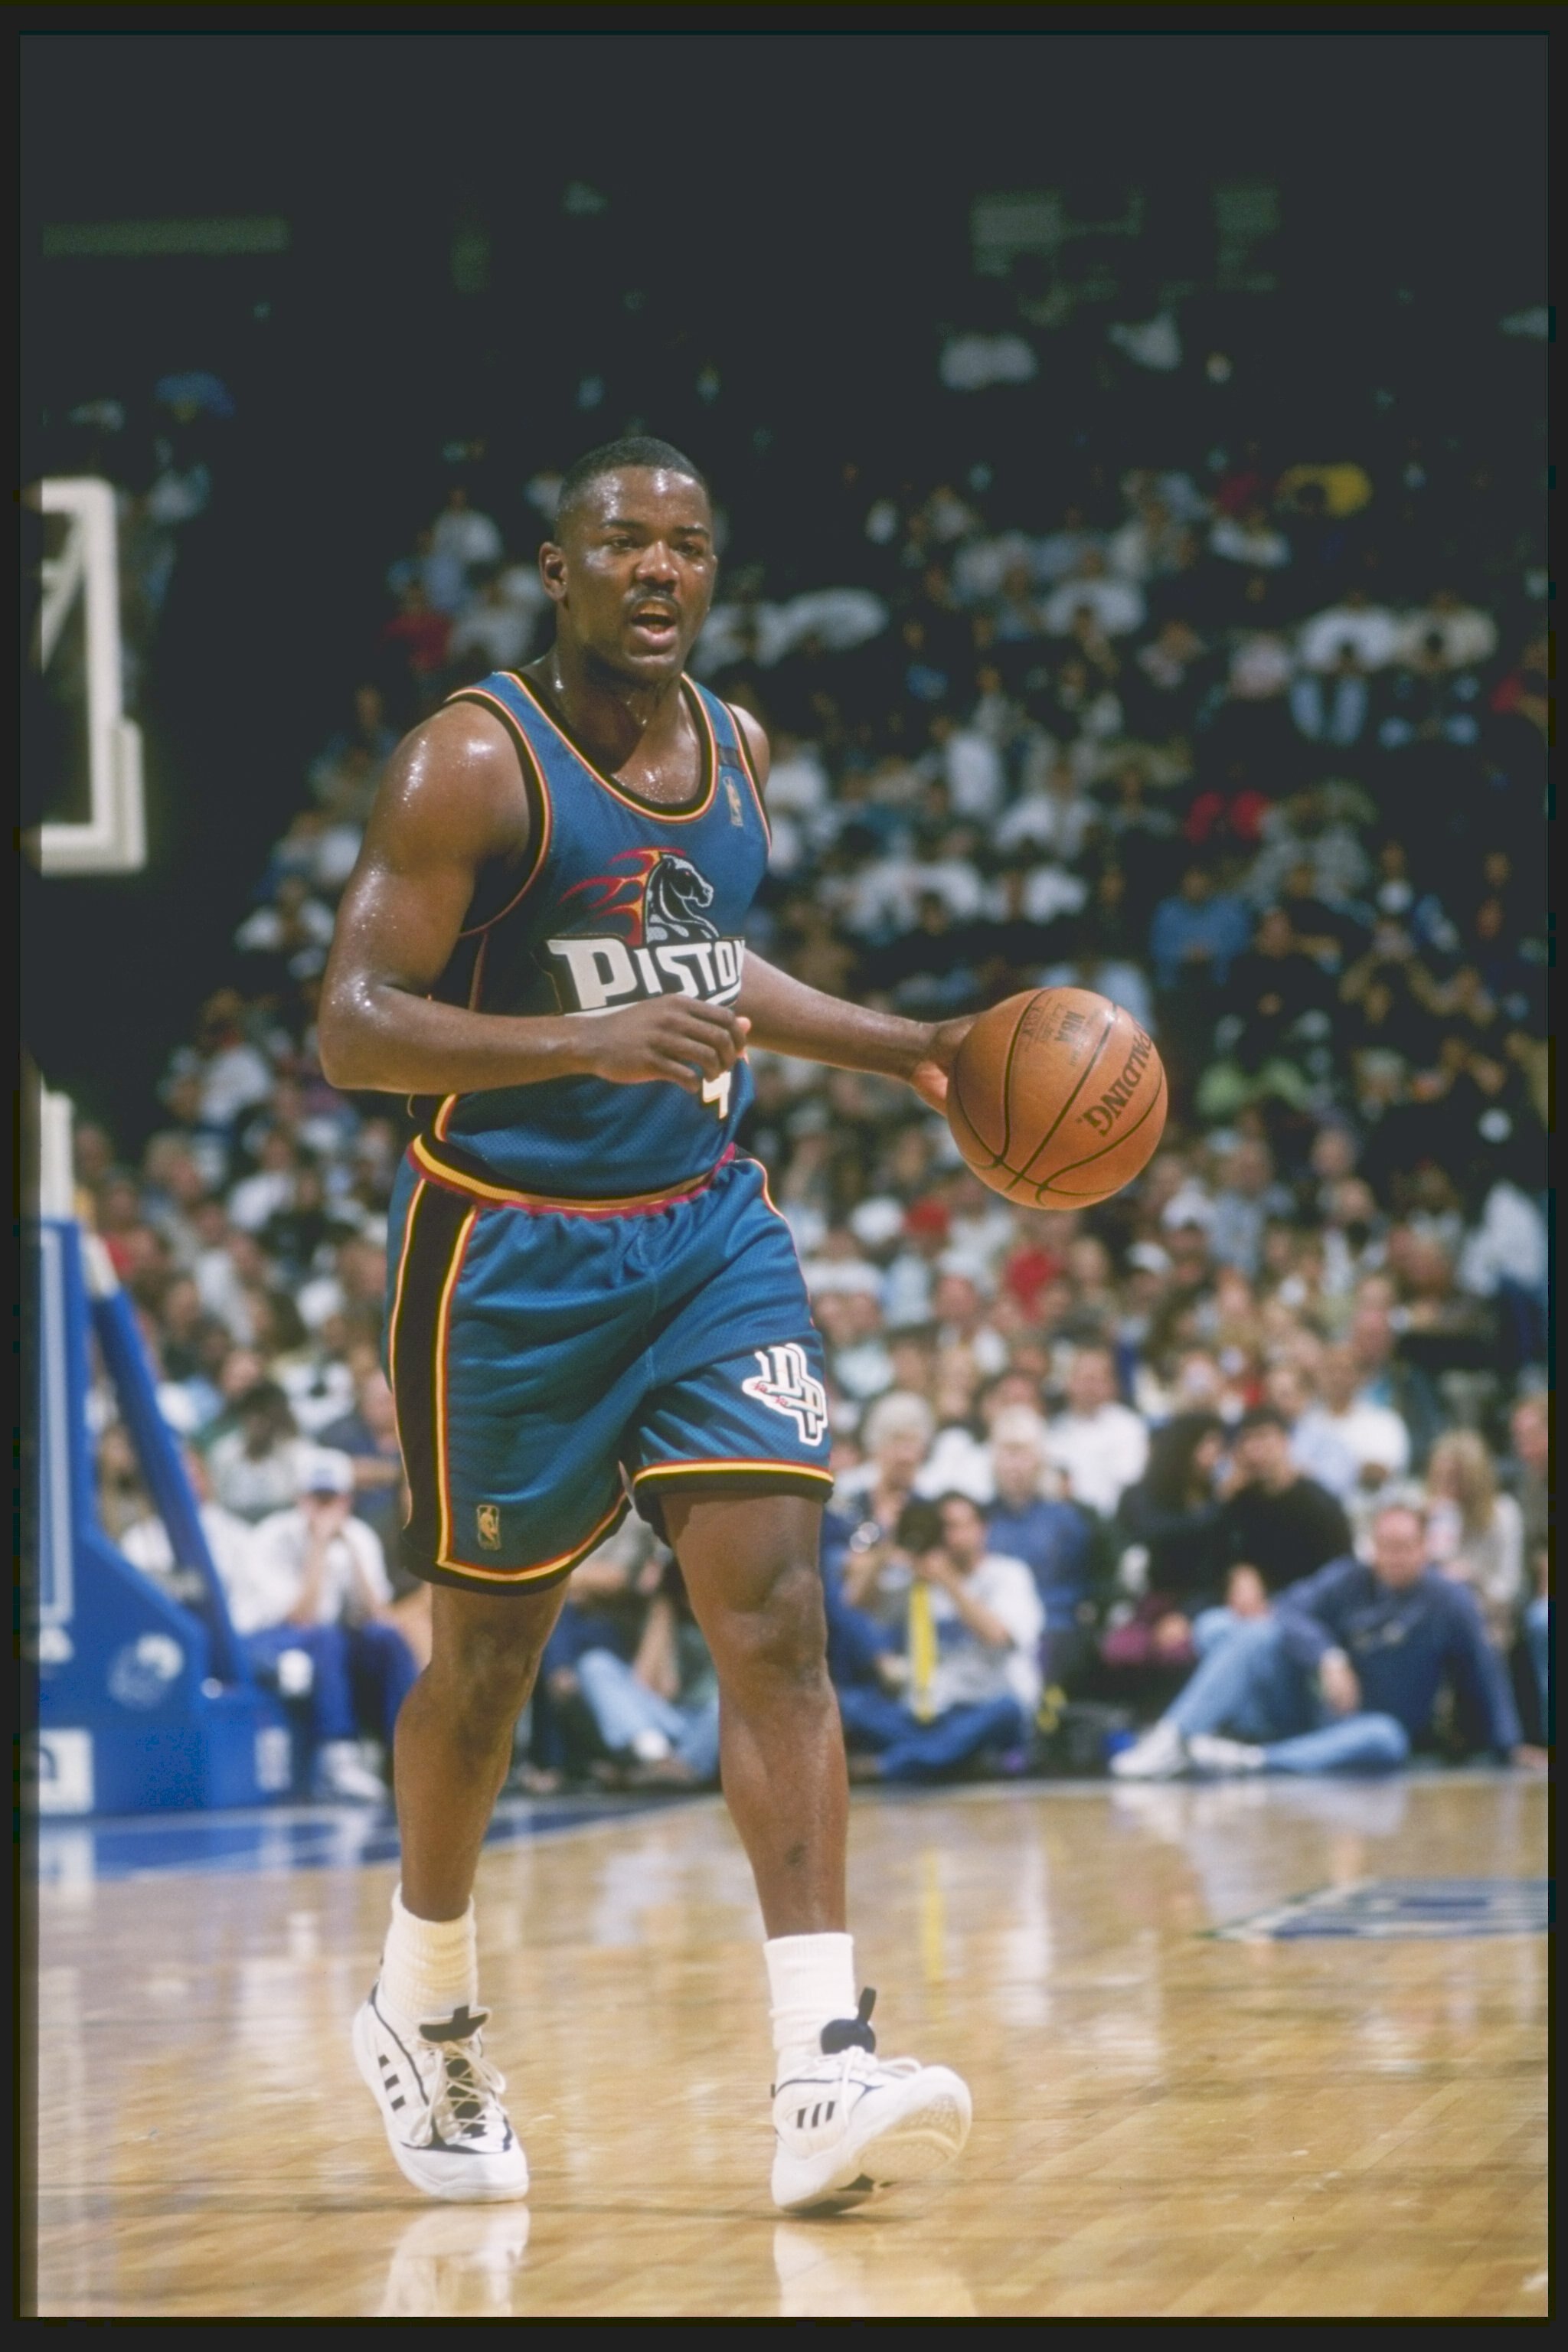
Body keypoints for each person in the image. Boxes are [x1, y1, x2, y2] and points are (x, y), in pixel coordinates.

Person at [318, 439, 975, 2213]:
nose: (659, 566)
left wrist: (902, 1043)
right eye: (624, 540)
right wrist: (569, 1045)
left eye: (687, 541)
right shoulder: (472, 757)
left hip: (702, 1232)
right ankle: (423, 1997)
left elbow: (708, 967)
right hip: (506, 1258)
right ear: (557, 564)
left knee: (774, 1619)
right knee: (487, 1664)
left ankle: (819, 2059)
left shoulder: (737, 750)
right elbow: (353, 1024)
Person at [1111, 1499, 1535, 1780]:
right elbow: (1286, 1609)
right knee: (1249, 1632)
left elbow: (1485, 1667)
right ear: (1372, 1546)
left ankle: (1249, 1761)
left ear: (1425, 1548)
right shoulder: (1350, 1577)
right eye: (1386, 1547)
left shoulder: (1449, 1600)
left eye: (1405, 1547)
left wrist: (1509, 1745)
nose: (1395, 1557)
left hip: (1372, 1726)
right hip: (1313, 1704)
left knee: (1387, 1739)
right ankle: (1173, 1737)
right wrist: (1329, 1659)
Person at [242, 1449, 421, 1801]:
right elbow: (301, 1616)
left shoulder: (359, 1535)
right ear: (300, 1498)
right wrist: (320, 1545)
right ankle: (337, 1758)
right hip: (264, 1642)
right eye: (316, 1497)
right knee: (325, 1637)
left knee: (387, 1638)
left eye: (332, 1498)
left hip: (327, 1641)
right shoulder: (270, 1537)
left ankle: (407, 1752)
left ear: (347, 1500)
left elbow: (379, 1615)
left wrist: (351, 1552)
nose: (324, 1507)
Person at [837, 1495, 1043, 1781]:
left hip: (982, 1707)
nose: (949, 1536)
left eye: (957, 1526)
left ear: (982, 1529)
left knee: (1006, 1711)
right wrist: (888, 1546)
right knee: (849, 1704)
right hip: (925, 1715)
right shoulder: (920, 1579)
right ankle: (951, 1758)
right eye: (942, 1527)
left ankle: (888, 1767)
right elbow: (855, 1601)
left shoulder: (1008, 1574)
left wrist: (949, 1581)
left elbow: (998, 1636)